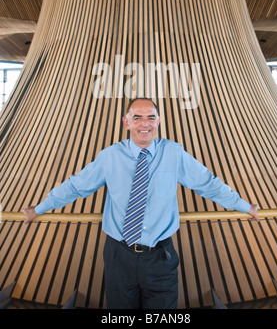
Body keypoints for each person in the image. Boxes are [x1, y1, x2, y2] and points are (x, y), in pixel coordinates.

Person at [22, 97, 260, 309]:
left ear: (158, 122)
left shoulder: (174, 153)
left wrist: (245, 207)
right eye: (137, 118)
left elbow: (208, 184)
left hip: (160, 258)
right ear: (127, 123)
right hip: (118, 256)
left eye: (150, 118)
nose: (144, 124)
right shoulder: (110, 156)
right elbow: (75, 186)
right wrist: (38, 209)